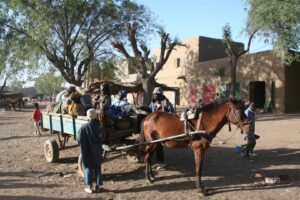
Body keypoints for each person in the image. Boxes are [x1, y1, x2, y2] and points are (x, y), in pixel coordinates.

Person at [137, 87, 175, 168]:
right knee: (140, 117)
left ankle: (161, 162)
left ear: (161, 95)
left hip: (163, 127)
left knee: (159, 144)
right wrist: (142, 107)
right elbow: (150, 109)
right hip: (154, 125)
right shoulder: (153, 103)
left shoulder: (166, 103)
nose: (154, 96)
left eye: (156, 94)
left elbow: (172, 114)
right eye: (154, 94)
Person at [76, 108, 104, 194]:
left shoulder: (83, 127)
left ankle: (90, 188)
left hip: (87, 151)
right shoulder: (99, 127)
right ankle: (98, 187)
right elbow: (102, 138)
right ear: (95, 116)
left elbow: (78, 139)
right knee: (97, 168)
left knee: (88, 167)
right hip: (97, 151)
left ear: (87, 117)